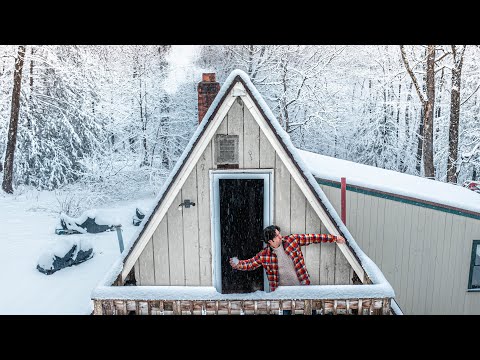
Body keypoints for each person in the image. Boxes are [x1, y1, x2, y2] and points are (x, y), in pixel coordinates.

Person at [229, 224, 345, 315]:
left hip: (303, 286)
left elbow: (313, 238)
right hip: (283, 293)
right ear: (270, 241)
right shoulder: (264, 255)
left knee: (311, 311)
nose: (281, 236)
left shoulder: (292, 241)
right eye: (277, 235)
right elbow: (250, 263)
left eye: (279, 234)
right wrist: (238, 264)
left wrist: (334, 238)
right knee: (286, 312)